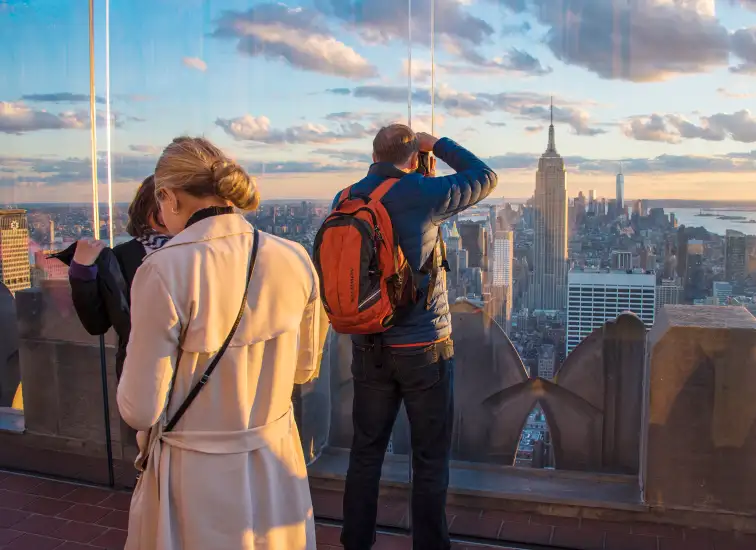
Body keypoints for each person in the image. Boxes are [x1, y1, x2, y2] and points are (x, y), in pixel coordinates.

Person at [118, 136, 325, 550]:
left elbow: (140, 407)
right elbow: (304, 369)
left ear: (169, 197)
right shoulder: (294, 257)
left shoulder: (163, 269)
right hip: (276, 462)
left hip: (195, 476)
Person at [333, 125, 497, 550]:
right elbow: (484, 176)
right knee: (429, 461)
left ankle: (354, 544)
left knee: (365, 455)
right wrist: (437, 145)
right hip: (424, 347)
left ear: (374, 154)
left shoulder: (347, 197)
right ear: (412, 155)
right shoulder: (423, 193)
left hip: (368, 346)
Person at [55, 175, 170, 382]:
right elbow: (96, 323)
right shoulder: (123, 256)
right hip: (142, 374)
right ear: (152, 209)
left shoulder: (200, 252)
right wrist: (82, 269)